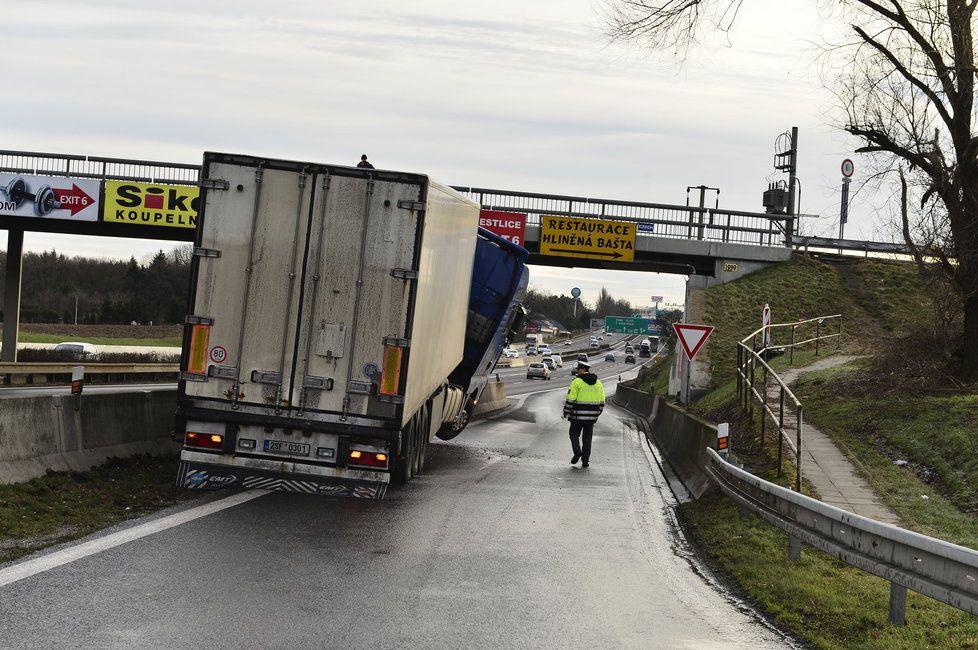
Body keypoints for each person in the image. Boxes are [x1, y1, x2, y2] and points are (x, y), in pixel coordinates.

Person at [563, 361, 605, 468]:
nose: (577, 371)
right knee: (587, 439)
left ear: (582, 370)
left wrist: (566, 412)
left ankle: (577, 451)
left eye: (578, 369)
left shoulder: (576, 382)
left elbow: (570, 399)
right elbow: (602, 402)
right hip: (591, 418)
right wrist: (596, 414)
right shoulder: (598, 383)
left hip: (577, 417)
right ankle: (585, 461)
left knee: (573, 434)